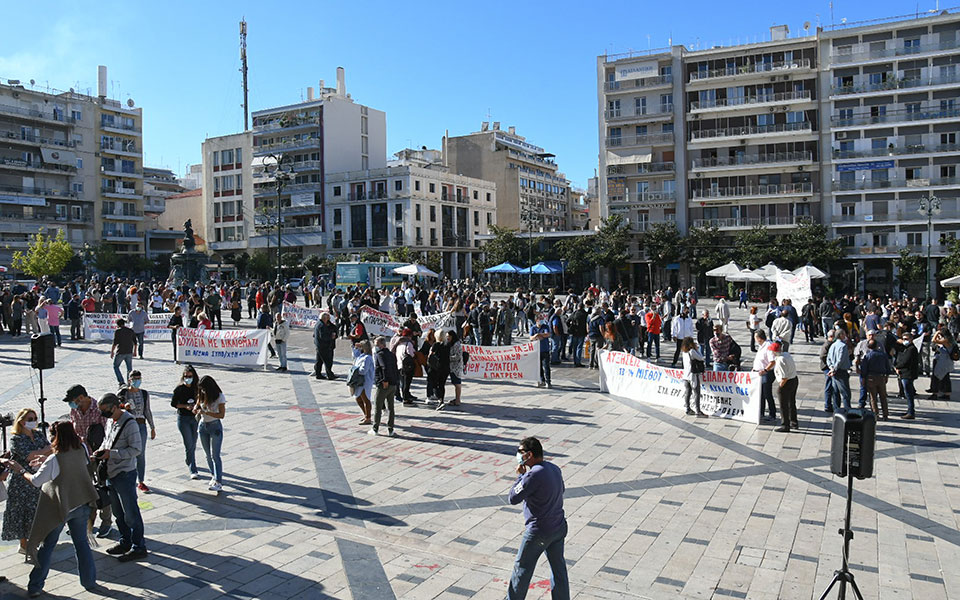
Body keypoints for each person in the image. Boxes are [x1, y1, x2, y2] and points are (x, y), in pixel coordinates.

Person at [5, 421, 98, 595]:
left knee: (47, 547)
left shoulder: (54, 459)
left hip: (60, 509)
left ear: (55, 437)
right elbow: (71, 466)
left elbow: (36, 481)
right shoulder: (82, 449)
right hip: (81, 503)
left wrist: (19, 470)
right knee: (82, 544)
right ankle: (89, 581)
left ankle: (35, 587)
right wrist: (44, 461)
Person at [507, 437, 568, 600]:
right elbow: (562, 489)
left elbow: (513, 498)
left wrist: (521, 476)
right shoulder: (554, 468)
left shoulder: (532, 475)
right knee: (558, 568)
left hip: (539, 531)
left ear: (529, 455)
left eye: (520, 452)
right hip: (559, 526)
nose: (518, 456)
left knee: (522, 569)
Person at [95, 393, 146, 562]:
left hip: (124, 473)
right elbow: (107, 441)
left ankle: (139, 547)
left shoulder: (129, 423)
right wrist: (101, 452)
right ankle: (125, 541)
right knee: (118, 512)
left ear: (115, 407)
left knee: (131, 512)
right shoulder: (110, 421)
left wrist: (112, 454)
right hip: (110, 473)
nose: (104, 415)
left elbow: (136, 450)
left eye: (105, 411)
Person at [1, 408, 51, 557]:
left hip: (39, 477)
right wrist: (46, 449)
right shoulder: (16, 439)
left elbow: (48, 452)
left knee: (37, 511)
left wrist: (43, 451)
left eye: (34, 418)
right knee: (22, 513)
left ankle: (37, 541)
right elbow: (29, 456)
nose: (33, 421)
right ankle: (24, 544)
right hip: (21, 482)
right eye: (30, 419)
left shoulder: (38, 434)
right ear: (21, 422)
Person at [64, 384, 112, 538]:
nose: (72, 405)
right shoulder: (74, 410)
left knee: (102, 489)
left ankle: (106, 522)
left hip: (98, 457)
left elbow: (108, 434)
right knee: (82, 491)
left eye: (73, 401)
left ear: (81, 398)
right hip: (81, 456)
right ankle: (84, 523)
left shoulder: (98, 409)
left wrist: (99, 454)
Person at [118, 370, 155, 492]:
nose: (137, 381)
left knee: (140, 453)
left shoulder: (144, 393)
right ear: (129, 380)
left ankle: (141, 481)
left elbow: (147, 411)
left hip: (141, 424)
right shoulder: (123, 393)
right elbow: (115, 407)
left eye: (139, 379)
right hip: (128, 425)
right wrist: (124, 406)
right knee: (129, 452)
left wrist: (152, 427)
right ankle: (129, 477)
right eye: (134, 379)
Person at [194, 376, 226, 491]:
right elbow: (198, 403)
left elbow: (221, 415)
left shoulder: (219, 397)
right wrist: (196, 408)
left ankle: (218, 481)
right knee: (207, 454)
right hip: (203, 426)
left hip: (214, 426)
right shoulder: (202, 394)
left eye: (204, 389)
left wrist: (207, 412)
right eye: (201, 389)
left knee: (215, 455)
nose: (202, 391)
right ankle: (213, 475)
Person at [171, 366, 202, 479]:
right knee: (188, 443)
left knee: (193, 443)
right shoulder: (179, 389)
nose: (188, 379)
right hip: (183, 418)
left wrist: (197, 407)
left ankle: (189, 459)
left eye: (190, 376)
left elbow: (202, 400)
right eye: (186, 376)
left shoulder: (197, 388)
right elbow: (174, 404)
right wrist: (185, 406)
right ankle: (193, 468)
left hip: (195, 418)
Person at [370, 336, 399, 436]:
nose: (375, 347)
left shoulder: (380, 355)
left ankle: (375, 428)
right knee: (391, 407)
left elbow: (383, 367)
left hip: (384, 384)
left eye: (377, 345)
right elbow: (395, 368)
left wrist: (384, 380)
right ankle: (391, 429)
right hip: (393, 384)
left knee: (378, 406)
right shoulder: (391, 354)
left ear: (382, 345)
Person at [860, 339, 891, 420]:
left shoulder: (867, 356)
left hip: (871, 378)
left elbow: (864, 369)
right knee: (883, 396)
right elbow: (888, 366)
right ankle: (885, 414)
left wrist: (863, 378)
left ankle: (875, 414)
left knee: (873, 397)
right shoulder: (883, 355)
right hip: (881, 377)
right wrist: (887, 376)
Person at [771, 343, 799, 432]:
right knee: (791, 402)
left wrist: (780, 387)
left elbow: (784, 377)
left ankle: (785, 425)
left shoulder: (780, 360)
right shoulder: (786, 354)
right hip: (794, 379)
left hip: (786, 382)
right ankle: (794, 422)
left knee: (783, 405)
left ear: (775, 351)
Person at [752, 330, 777, 422]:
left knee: (767, 394)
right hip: (759, 373)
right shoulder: (761, 346)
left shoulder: (768, 346)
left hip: (766, 373)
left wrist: (765, 370)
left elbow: (772, 361)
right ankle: (761, 412)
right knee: (761, 394)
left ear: (759, 338)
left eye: (755, 338)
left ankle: (772, 414)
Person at [895, 331, 921, 419]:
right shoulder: (905, 348)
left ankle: (911, 411)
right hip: (904, 373)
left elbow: (906, 361)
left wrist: (897, 367)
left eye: (906, 339)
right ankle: (909, 410)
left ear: (911, 339)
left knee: (909, 393)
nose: (905, 341)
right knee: (907, 393)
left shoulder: (911, 349)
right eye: (903, 339)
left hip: (908, 374)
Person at [680, 337, 707, 417]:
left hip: (686, 375)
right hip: (693, 375)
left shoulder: (684, 352)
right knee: (697, 393)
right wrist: (697, 349)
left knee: (688, 392)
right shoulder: (692, 351)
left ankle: (688, 408)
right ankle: (698, 411)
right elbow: (701, 357)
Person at [826, 329, 853, 410]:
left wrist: (831, 368)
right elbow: (840, 360)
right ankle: (847, 410)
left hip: (834, 372)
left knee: (836, 393)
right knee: (846, 394)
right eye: (844, 334)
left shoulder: (833, 345)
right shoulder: (843, 346)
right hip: (841, 371)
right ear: (841, 335)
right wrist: (834, 369)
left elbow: (828, 358)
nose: (845, 336)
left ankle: (836, 410)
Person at [438, 330, 464, 410]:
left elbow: (458, 356)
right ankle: (457, 399)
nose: (447, 338)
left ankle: (458, 400)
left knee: (457, 383)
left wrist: (447, 358)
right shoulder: (451, 343)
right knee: (455, 383)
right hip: (451, 366)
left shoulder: (456, 344)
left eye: (448, 336)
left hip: (455, 367)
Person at [350, 340, 374, 425]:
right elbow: (354, 357)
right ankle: (366, 415)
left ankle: (368, 417)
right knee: (358, 398)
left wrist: (355, 370)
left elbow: (363, 370)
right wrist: (355, 347)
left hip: (364, 381)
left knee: (365, 399)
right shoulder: (361, 356)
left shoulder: (367, 358)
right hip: (358, 380)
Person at [110, 318, 137, 386]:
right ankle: (130, 382)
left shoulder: (118, 331)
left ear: (118, 325)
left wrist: (112, 351)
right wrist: (135, 351)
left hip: (120, 352)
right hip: (129, 351)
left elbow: (115, 343)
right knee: (129, 368)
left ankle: (121, 381)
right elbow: (135, 342)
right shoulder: (130, 331)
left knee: (116, 366)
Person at [931, 330, 955, 400]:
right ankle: (946, 393)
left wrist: (936, 333)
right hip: (945, 361)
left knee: (937, 376)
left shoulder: (946, 340)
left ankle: (935, 393)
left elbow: (933, 340)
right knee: (945, 378)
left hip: (943, 361)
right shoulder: (950, 340)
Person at [314, 312, 337, 380]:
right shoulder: (321, 326)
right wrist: (331, 336)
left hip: (320, 345)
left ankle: (318, 374)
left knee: (319, 361)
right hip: (323, 346)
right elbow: (323, 336)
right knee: (327, 361)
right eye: (328, 317)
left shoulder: (320, 324)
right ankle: (329, 375)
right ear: (325, 318)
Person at [819, 330, 838, 413]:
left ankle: (831, 404)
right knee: (829, 386)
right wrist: (830, 365)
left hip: (829, 367)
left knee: (832, 386)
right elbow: (823, 356)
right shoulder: (827, 345)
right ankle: (828, 405)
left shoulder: (831, 344)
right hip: (827, 368)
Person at [531, 316, 552, 389]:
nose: (542, 321)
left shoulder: (545, 326)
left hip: (545, 349)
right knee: (538, 367)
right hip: (537, 350)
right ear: (536, 320)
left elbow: (548, 334)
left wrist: (538, 335)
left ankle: (548, 381)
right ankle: (542, 380)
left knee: (546, 366)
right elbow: (531, 338)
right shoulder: (533, 328)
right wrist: (536, 336)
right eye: (540, 319)